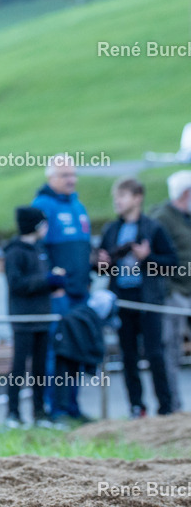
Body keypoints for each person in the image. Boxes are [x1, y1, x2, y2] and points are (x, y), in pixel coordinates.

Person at [97, 176, 177, 418]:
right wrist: (102, 264)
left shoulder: (153, 228)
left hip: (148, 301)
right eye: (116, 198)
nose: (117, 202)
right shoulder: (112, 229)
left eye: (122, 196)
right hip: (122, 301)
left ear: (137, 198)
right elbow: (101, 268)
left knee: (154, 354)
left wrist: (147, 258)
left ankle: (165, 407)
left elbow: (171, 264)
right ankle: (136, 407)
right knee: (128, 356)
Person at [31, 153, 93, 420]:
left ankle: (73, 407)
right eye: (65, 175)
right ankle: (55, 408)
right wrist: (53, 283)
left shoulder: (78, 206)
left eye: (73, 174)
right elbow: (38, 250)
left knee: (77, 348)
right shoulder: (42, 206)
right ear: (51, 177)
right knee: (57, 351)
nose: (71, 180)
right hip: (59, 295)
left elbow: (83, 249)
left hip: (81, 292)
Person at [2, 206, 67, 429]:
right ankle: (13, 414)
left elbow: (40, 282)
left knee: (40, 368)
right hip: (23, 319)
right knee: (19, 367)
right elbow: (16, 284)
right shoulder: (14, 252)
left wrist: (54, 283)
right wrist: (47, 280)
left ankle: (40, 413)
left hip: (42, 317)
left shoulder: (39, 250)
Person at [148, 170, 191, 413]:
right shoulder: (162, 218)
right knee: (171, 350)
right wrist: (170, 287)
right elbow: (156, 258)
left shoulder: (186, 218)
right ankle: (172, 406)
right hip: (174, 294)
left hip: (188, 291)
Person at [53, 290, 118, 422]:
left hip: (72, 353)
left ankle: (72, 411)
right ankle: (61, 413)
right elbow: (96, 347)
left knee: (71, 380)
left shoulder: (87, 316)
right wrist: (94, 366)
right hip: (66, 351)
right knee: (63, 381)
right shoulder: (85, 317)